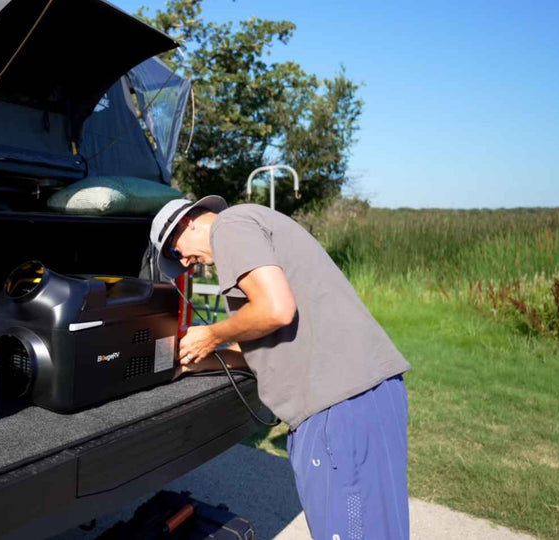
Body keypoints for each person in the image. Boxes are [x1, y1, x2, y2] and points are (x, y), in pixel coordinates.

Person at [149, 197, 412, 540]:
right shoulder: (257, 226)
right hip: (372, 395)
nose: (185, 263)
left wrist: (211, 334)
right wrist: (195, 362)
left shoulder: (229, 226)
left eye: (175, 252)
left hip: (334, 410)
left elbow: (276, 310)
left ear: (189, 222)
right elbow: (259, 350)